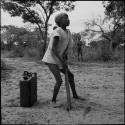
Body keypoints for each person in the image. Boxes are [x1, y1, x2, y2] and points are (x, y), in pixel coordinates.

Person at [42, 12, 84, 105]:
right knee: (59, 80)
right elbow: (53, 49)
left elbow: (66, 47)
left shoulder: (68, 32)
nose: (68, 20)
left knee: (70, 76)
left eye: (68, 18)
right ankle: (53, 100)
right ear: (60, 22)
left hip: (60, 58)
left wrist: (65, 57)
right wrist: (62, 62)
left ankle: (75, 95)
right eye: (65, 18)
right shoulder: (57, 32)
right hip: (51, 59)